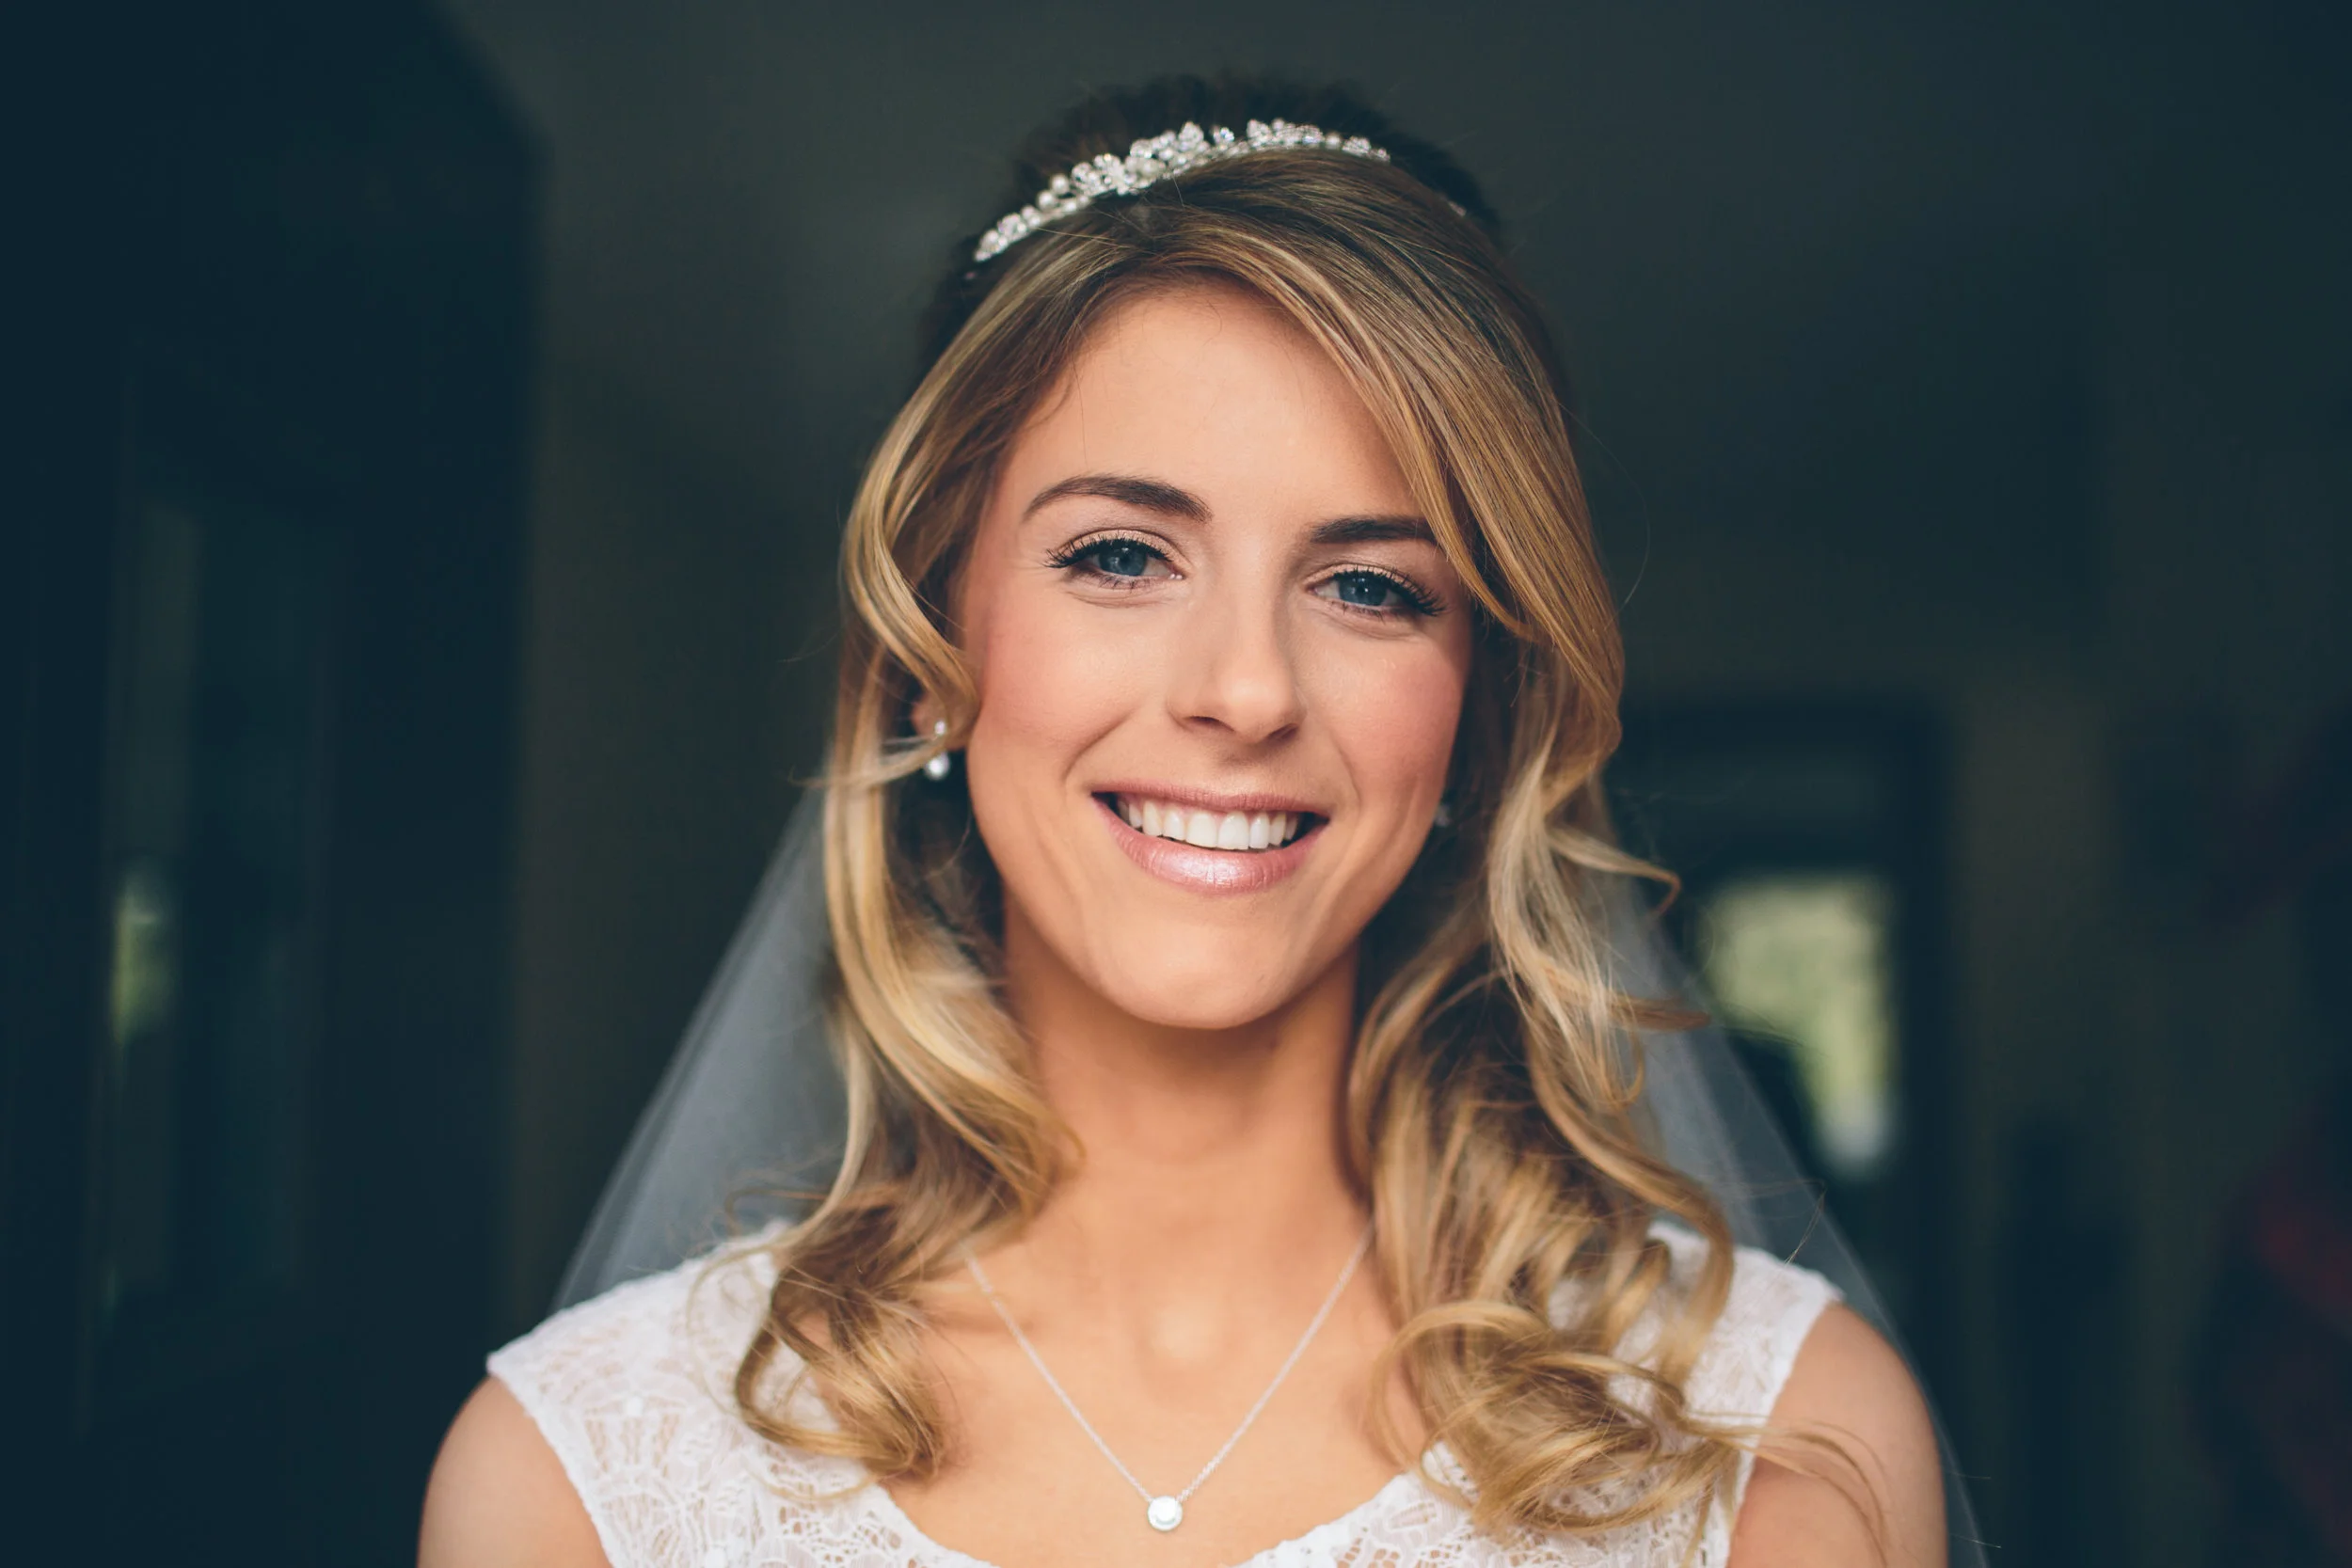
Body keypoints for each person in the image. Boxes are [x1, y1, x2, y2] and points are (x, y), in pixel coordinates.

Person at [419, 76, 1947, 1567]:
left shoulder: (1773, 1445)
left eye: (1370, 586)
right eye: (1122, 554)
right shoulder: (581, 1488)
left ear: (1476, 709)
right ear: (935, 646)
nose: (1245, 689)